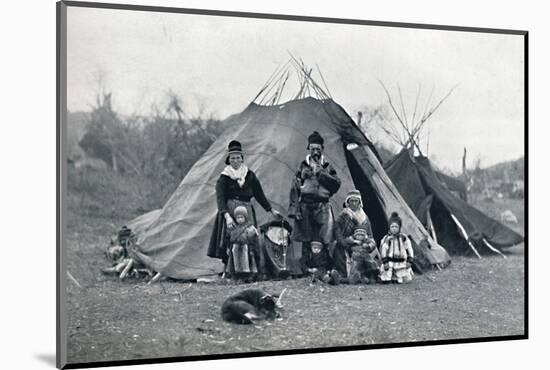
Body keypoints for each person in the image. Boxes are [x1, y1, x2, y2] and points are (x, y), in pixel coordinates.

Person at [207, 140, 281, 279]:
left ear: (242, 158)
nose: (235, 160)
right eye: (233, 158)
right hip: (230, 210)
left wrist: (270, 210)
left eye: (238, 157)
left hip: (247, 209)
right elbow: (220, 198)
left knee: (250, 237)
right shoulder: (224, 177)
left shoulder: (249, 175)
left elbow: (259, 195)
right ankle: (230, 271)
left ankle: (251, 271)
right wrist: (226, 216)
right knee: (233, 239)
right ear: (229, 160)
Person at [288, 131, 341, 275]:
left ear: (322, 149)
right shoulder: (303, 166)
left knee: (323, 237)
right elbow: (295, 188)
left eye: (318, 149)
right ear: (309, 149)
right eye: (312, 149)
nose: (315, 152)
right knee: (306, 237)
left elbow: (336, 185)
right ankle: (305, 268)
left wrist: (321, 174)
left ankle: (323, 266)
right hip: (305, 205)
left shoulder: (328, 167)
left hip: (322, 206)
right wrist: (295, 209)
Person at [334, 189, 376, 278]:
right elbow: (337, 233)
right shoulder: (343, 216)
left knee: (367, 260)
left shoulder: (365, 218)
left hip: (361, 246)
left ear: (359, 202)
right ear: (348, 202)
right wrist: (347, 243)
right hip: (346, 245)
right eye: (351, 201)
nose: (353, 203)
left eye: (356, 201)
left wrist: (368, 245)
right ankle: (344, 274)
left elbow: (370, 235)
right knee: (339, 253)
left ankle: (364, 275)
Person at [379, 212, 415, 284]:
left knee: (405, 279)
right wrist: (385, 261)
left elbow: (409, 248)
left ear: (399, 228)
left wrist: (410, 260)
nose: (394, 229)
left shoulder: (403, 238)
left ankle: (397, 278)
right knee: (387, 278)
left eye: (396, 227)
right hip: (390, 262)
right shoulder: (387, 239)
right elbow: (383, 250)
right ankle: (389, 278)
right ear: (389, 227)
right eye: (392, 227)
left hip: (401, 262)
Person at [227, 206, 260, 280]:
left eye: (242, 217)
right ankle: (237, 274)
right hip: (236, 248)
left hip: (246, 247)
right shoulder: (234, 228)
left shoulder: (249, 227)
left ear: (245, 217)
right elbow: (231, 238)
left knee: (247, 260)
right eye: (238, 218)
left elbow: (253, 237)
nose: (240, 219)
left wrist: (249, 234)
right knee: (235, 261)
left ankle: (248, 275)